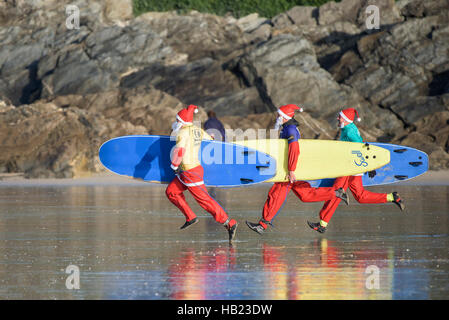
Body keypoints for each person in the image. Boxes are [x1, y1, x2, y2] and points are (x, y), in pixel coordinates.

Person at [246, 104, 349, 235]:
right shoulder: (287, 128)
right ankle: (337, 193)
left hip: (289, 170)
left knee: (276, 194)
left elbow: (294, 150)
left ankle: (262, 225)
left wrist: (291, 170)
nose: (277, 117)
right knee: (305, 195)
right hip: (291, 169)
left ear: (284, 117)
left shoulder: (291, 130)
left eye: (279, 115)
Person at [307, 107, 405, 233]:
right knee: (360, 196)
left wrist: (370, 165)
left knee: (336, 193)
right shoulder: (349, 128)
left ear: (347, 119)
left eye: (340, 117)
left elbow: (362, 145)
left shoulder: (349, 131)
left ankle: (322, 224)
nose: (338, 118)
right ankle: (392, 197)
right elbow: (362, 143)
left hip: (349, 168)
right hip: (354, 167)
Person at [165, 104, 238, 242]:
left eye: (177, 120)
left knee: (204, 200)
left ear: (182, 121)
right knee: (171, 192)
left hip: (191, 172)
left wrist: (174, 165)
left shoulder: (182, 133)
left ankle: (229, 223)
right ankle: (190, 216)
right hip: (186, 172)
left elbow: (179, 151)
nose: (176, 122)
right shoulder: (197, 130)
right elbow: (210, 138)